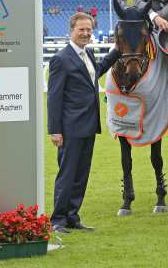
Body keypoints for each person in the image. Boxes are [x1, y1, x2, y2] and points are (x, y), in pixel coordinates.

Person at [47, 12, 120, 233]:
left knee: (81, 175)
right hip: (69, 128)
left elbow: (95, 73)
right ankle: (57, 220)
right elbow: (54, 97)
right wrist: (55, 130)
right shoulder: (61, 59)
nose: (86, 33)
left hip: (88, 126)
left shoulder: (87, 53)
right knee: (67, 174)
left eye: (89, 29)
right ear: (71, 30)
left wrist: (116, 51)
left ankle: (72, 216)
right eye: (81, 29)